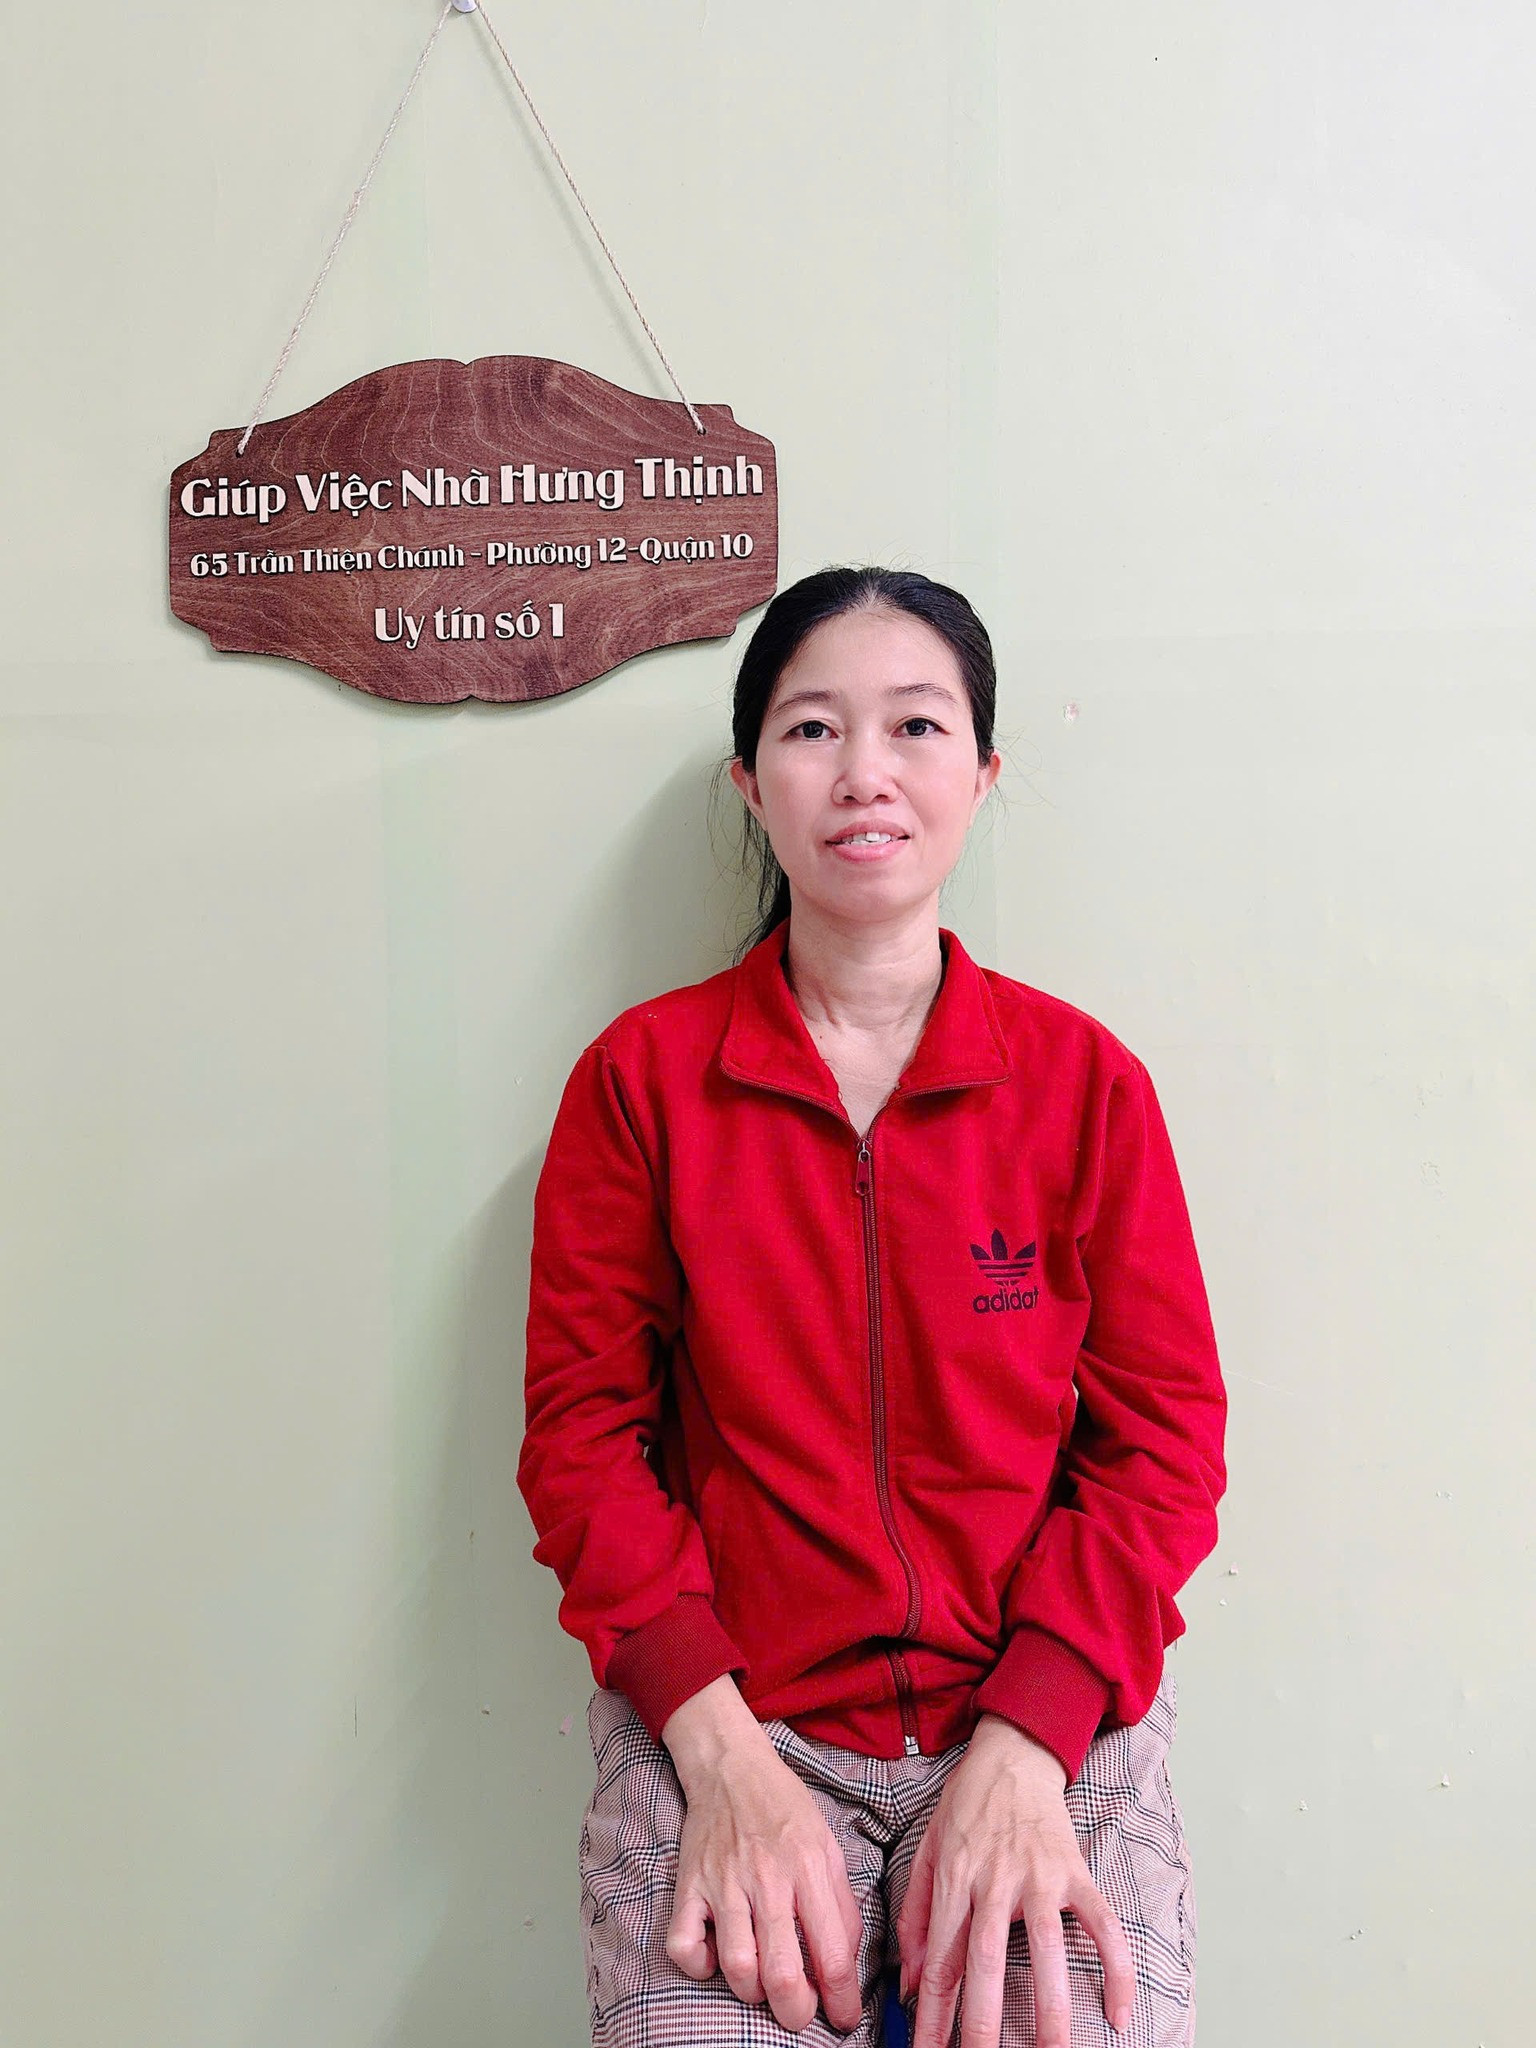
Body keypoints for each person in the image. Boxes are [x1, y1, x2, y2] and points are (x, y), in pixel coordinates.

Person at [518, 565, 1228, 2048]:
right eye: (811, 730)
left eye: (915, 726)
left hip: (1036, 1711)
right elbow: (581, 1444)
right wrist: (720, 1759)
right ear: (749, 785)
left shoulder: (1085, 1087)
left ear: (982, 774)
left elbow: (1163, 1448)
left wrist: (1029, 1741)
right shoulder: (640, 1085)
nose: (865, 775)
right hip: (737, 1715)